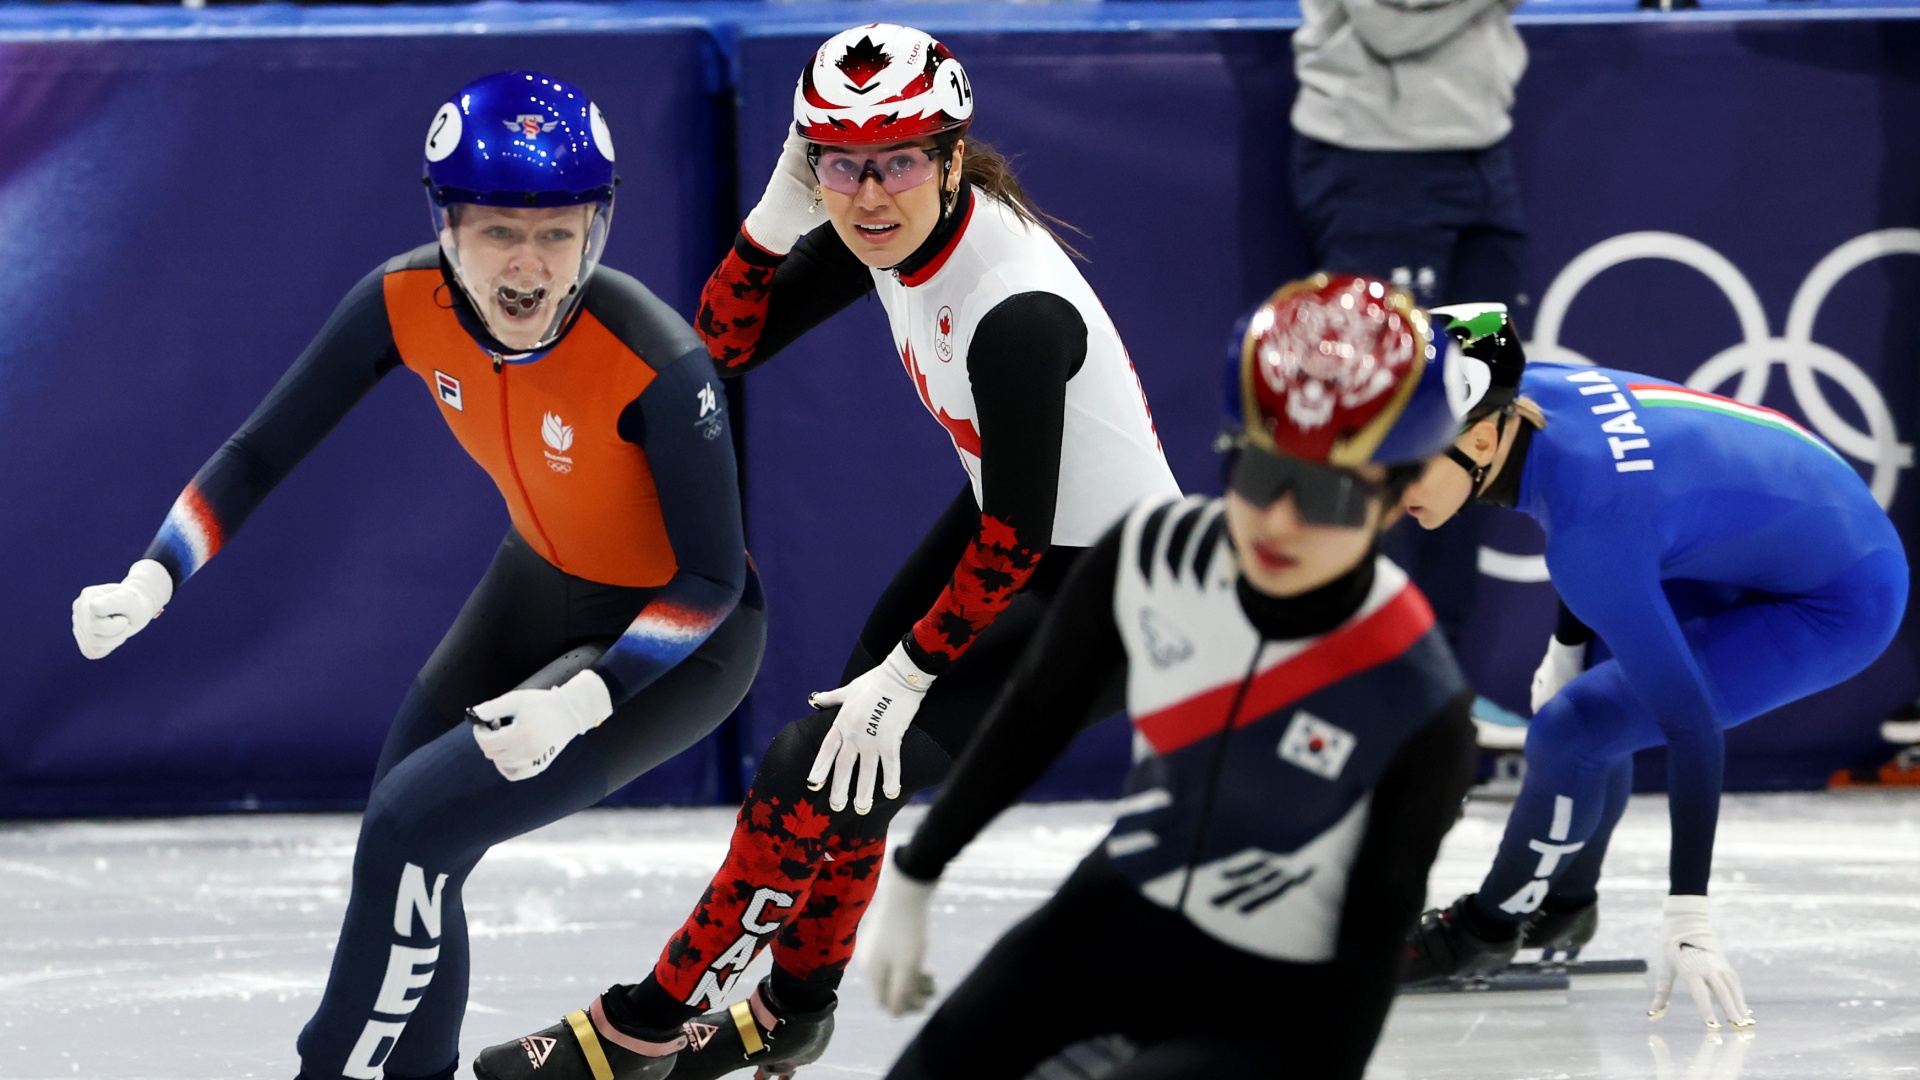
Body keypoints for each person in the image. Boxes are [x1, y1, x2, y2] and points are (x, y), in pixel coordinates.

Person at [472, 23, 1178, 1080]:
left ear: (951, 157)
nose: (869, 194)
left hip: (1110, 587)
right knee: (848, 766)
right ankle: (791, 1014)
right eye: (839, 165)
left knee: (812, 767)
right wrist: (772, 224)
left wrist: (912, 672)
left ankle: (642, 1028)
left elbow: (1015, 541)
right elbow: (723, 343)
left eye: (897, 162)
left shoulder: (1015, 309)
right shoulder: (884, 228)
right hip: (1020, 527)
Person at [68, 71, 763, 1080]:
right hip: (537, 585)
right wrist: (153, 578)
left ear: (596, 230)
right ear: (446, 227)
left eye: (557, 233)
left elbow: (710, 581)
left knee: (411, 828)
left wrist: (581, 701)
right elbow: (259, 452)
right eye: (498, 232)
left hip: (678, 642)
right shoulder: (399, 301)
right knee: (407, 838)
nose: (528, 263)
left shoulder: (657, 359)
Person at [853, 274, 1482, 1080]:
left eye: (1326, 494)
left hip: (1269, 1006)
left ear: (1399, 498)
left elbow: (1377, 924)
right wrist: (916, 873)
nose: (1277, 521)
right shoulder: (1152, 553)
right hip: (1113, 918)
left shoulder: (1416, 696)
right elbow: (1033, 719)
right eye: (1257, 472)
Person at [1396, 305, 1908, 1030]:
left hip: (1841, 597)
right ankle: (1564, 902)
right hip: (1770, 528)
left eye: (1404, 465)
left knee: (1572, 729)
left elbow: (1691, 726)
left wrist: (1688, 910)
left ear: (1481, 439)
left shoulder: (1589, 530)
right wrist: (1567, 649)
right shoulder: (1535, 397)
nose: (1389, 493)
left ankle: (1485, 930)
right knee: (1595, 688)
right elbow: (1605, 515)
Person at [1290, 0, 1530, 672]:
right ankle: (1374, 683)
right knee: (1385, 429)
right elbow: (1386, 24)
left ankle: (1439, 683)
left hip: (1483, 151)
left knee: (1482, 415)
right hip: (1374, 161)